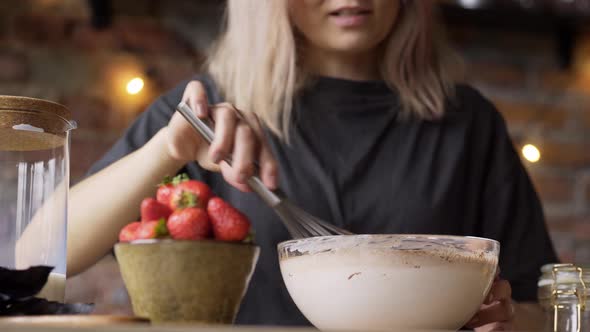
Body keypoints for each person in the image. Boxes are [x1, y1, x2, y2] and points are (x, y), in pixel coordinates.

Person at [67, 1, 558, 330]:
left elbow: (542, 305)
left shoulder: (468, 123)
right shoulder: (210, 112)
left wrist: (503, 317)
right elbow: (38, 256)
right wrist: (166, 152)